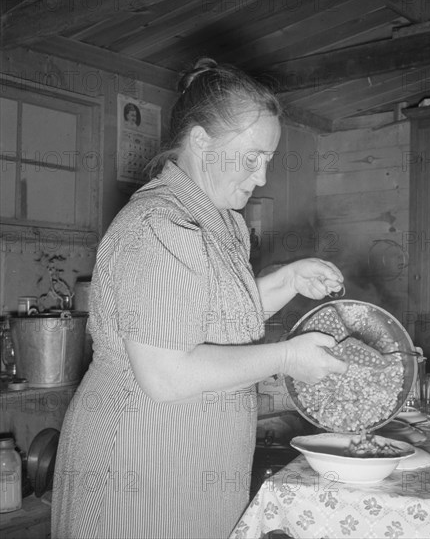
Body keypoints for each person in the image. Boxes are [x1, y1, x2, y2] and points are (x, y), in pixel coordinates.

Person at [51, 57, 347, 539]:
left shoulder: (219, 220)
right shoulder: (161, 225)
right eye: (252, 157)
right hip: (140, 456)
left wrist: (289, 280)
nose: (263, 176)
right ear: (200, 141)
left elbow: (214, 318)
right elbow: (167, 376)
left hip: (192, 457)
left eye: (268, 159)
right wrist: (288, 357)